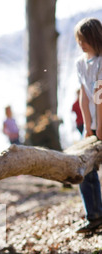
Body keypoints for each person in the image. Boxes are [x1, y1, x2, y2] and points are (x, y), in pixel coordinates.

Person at [74, 17, 102, 233]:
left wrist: (100, 124)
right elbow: (84, 95)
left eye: (84, 39)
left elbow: (99, 94)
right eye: (79, 40)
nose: (82, 44)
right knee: (85, 165)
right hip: (92, 122)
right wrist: (87, 125)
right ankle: (94, 214)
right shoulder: (80, 63)